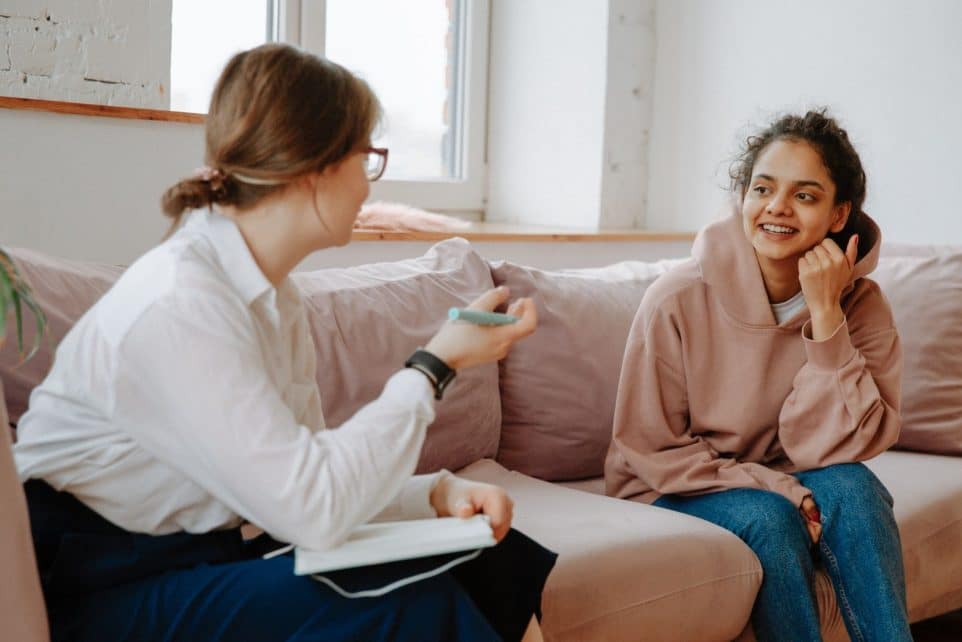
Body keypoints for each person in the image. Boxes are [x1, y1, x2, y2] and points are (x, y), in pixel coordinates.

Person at [14, 43, 555, 642]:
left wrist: (437, 492)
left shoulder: (274, 298)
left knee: (491, 556)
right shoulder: (181, 303)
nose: (369, 188)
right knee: (404, 602)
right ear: (314, 167)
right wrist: (434, 364)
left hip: (198, 559)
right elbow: (313, 511)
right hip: (99, 585)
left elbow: (312, 473)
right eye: (365, 157)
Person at [605, 110, 911, 641]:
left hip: (790, 474)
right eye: (762, 188)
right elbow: (650, 446)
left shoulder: (862, 306)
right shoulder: (676, 298)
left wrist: (825, 318)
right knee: (771, 519)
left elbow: (852, 445)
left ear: (840, 214)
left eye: (805, 196)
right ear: (742, 196)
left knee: (857, 489)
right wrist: (779, 487)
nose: (776, 208)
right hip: (671, 484)